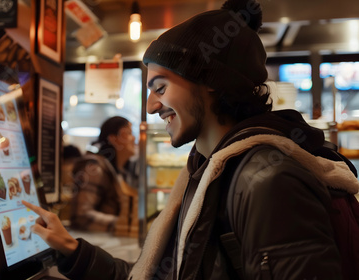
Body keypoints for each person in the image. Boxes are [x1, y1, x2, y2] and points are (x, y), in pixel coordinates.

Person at [22, 0, 359, 279]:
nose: (152, 106)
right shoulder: (208, 170)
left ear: (210, 80)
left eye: (160, 87)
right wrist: (73, 250)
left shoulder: (268, 180)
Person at [69, 116, 138, 232]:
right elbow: (81, 215)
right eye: (128, 133)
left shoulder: (121, 172)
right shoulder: (95, 169)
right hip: (96, 244)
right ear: (113, 139)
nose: (134, 138)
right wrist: (122, 225)